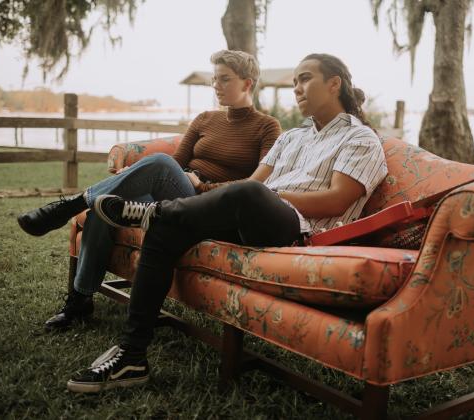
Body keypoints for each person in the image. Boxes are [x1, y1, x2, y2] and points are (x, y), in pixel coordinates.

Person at [65, 53, 388, 393]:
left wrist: (267, 196)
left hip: (301, 230)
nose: (297, 88)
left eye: (305, 78)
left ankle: (156, 211)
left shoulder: (360, 138)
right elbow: (253, 182)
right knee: (168, 227)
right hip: (254, 216)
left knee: (248, 193)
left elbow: (337, 199)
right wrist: (247, 194)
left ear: (334, 83)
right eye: (294, 81)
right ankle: (132, 356)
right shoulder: (293, 137)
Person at [16, 50, 281, 331]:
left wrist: (202, 185)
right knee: (104, 205)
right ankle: (80, 300)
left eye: (224, 79)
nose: (216, 85)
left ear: (248, 83)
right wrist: (134, 176)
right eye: (214, 79)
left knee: (159, 164)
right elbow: (175, 164)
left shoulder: (267, 127)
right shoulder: (205, 119)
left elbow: (257, 187)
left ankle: (69, 205)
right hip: (174, 191)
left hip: (209, 205)